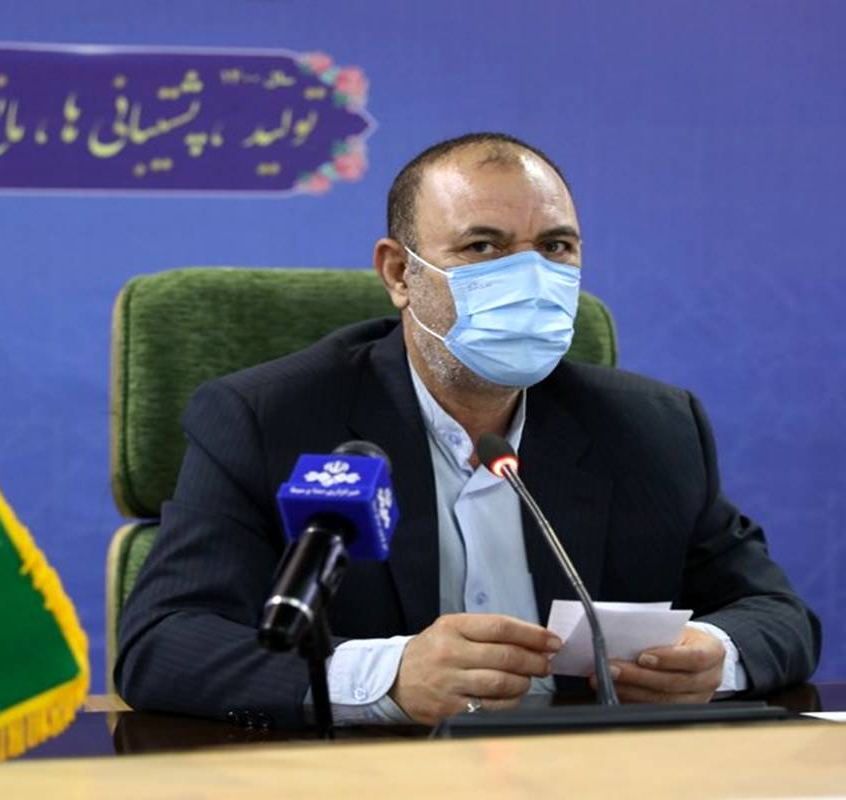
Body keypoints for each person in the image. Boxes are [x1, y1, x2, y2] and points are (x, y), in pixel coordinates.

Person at [114, 133, 821, 728]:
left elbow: (777, 615)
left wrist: (715, 656)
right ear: (399, 273)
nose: (530, 276)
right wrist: (389, 677)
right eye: (483, 246)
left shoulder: (651, 427)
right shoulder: (270, 418)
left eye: (556, 246)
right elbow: (163, 644)